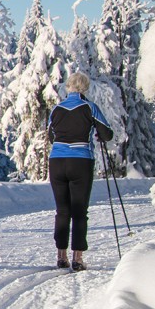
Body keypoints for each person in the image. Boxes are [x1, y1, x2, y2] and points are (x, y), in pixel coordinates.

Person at [49, 71, 115, 271]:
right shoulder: (89, 107)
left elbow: (51, 136)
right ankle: (77, 258)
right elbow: (107, 134)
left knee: (62, 210)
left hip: (57, 161)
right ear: (85, 88)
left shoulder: (57, 109)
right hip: (81, 161)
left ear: (68, 88)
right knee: (79, 211)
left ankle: (61, 256)